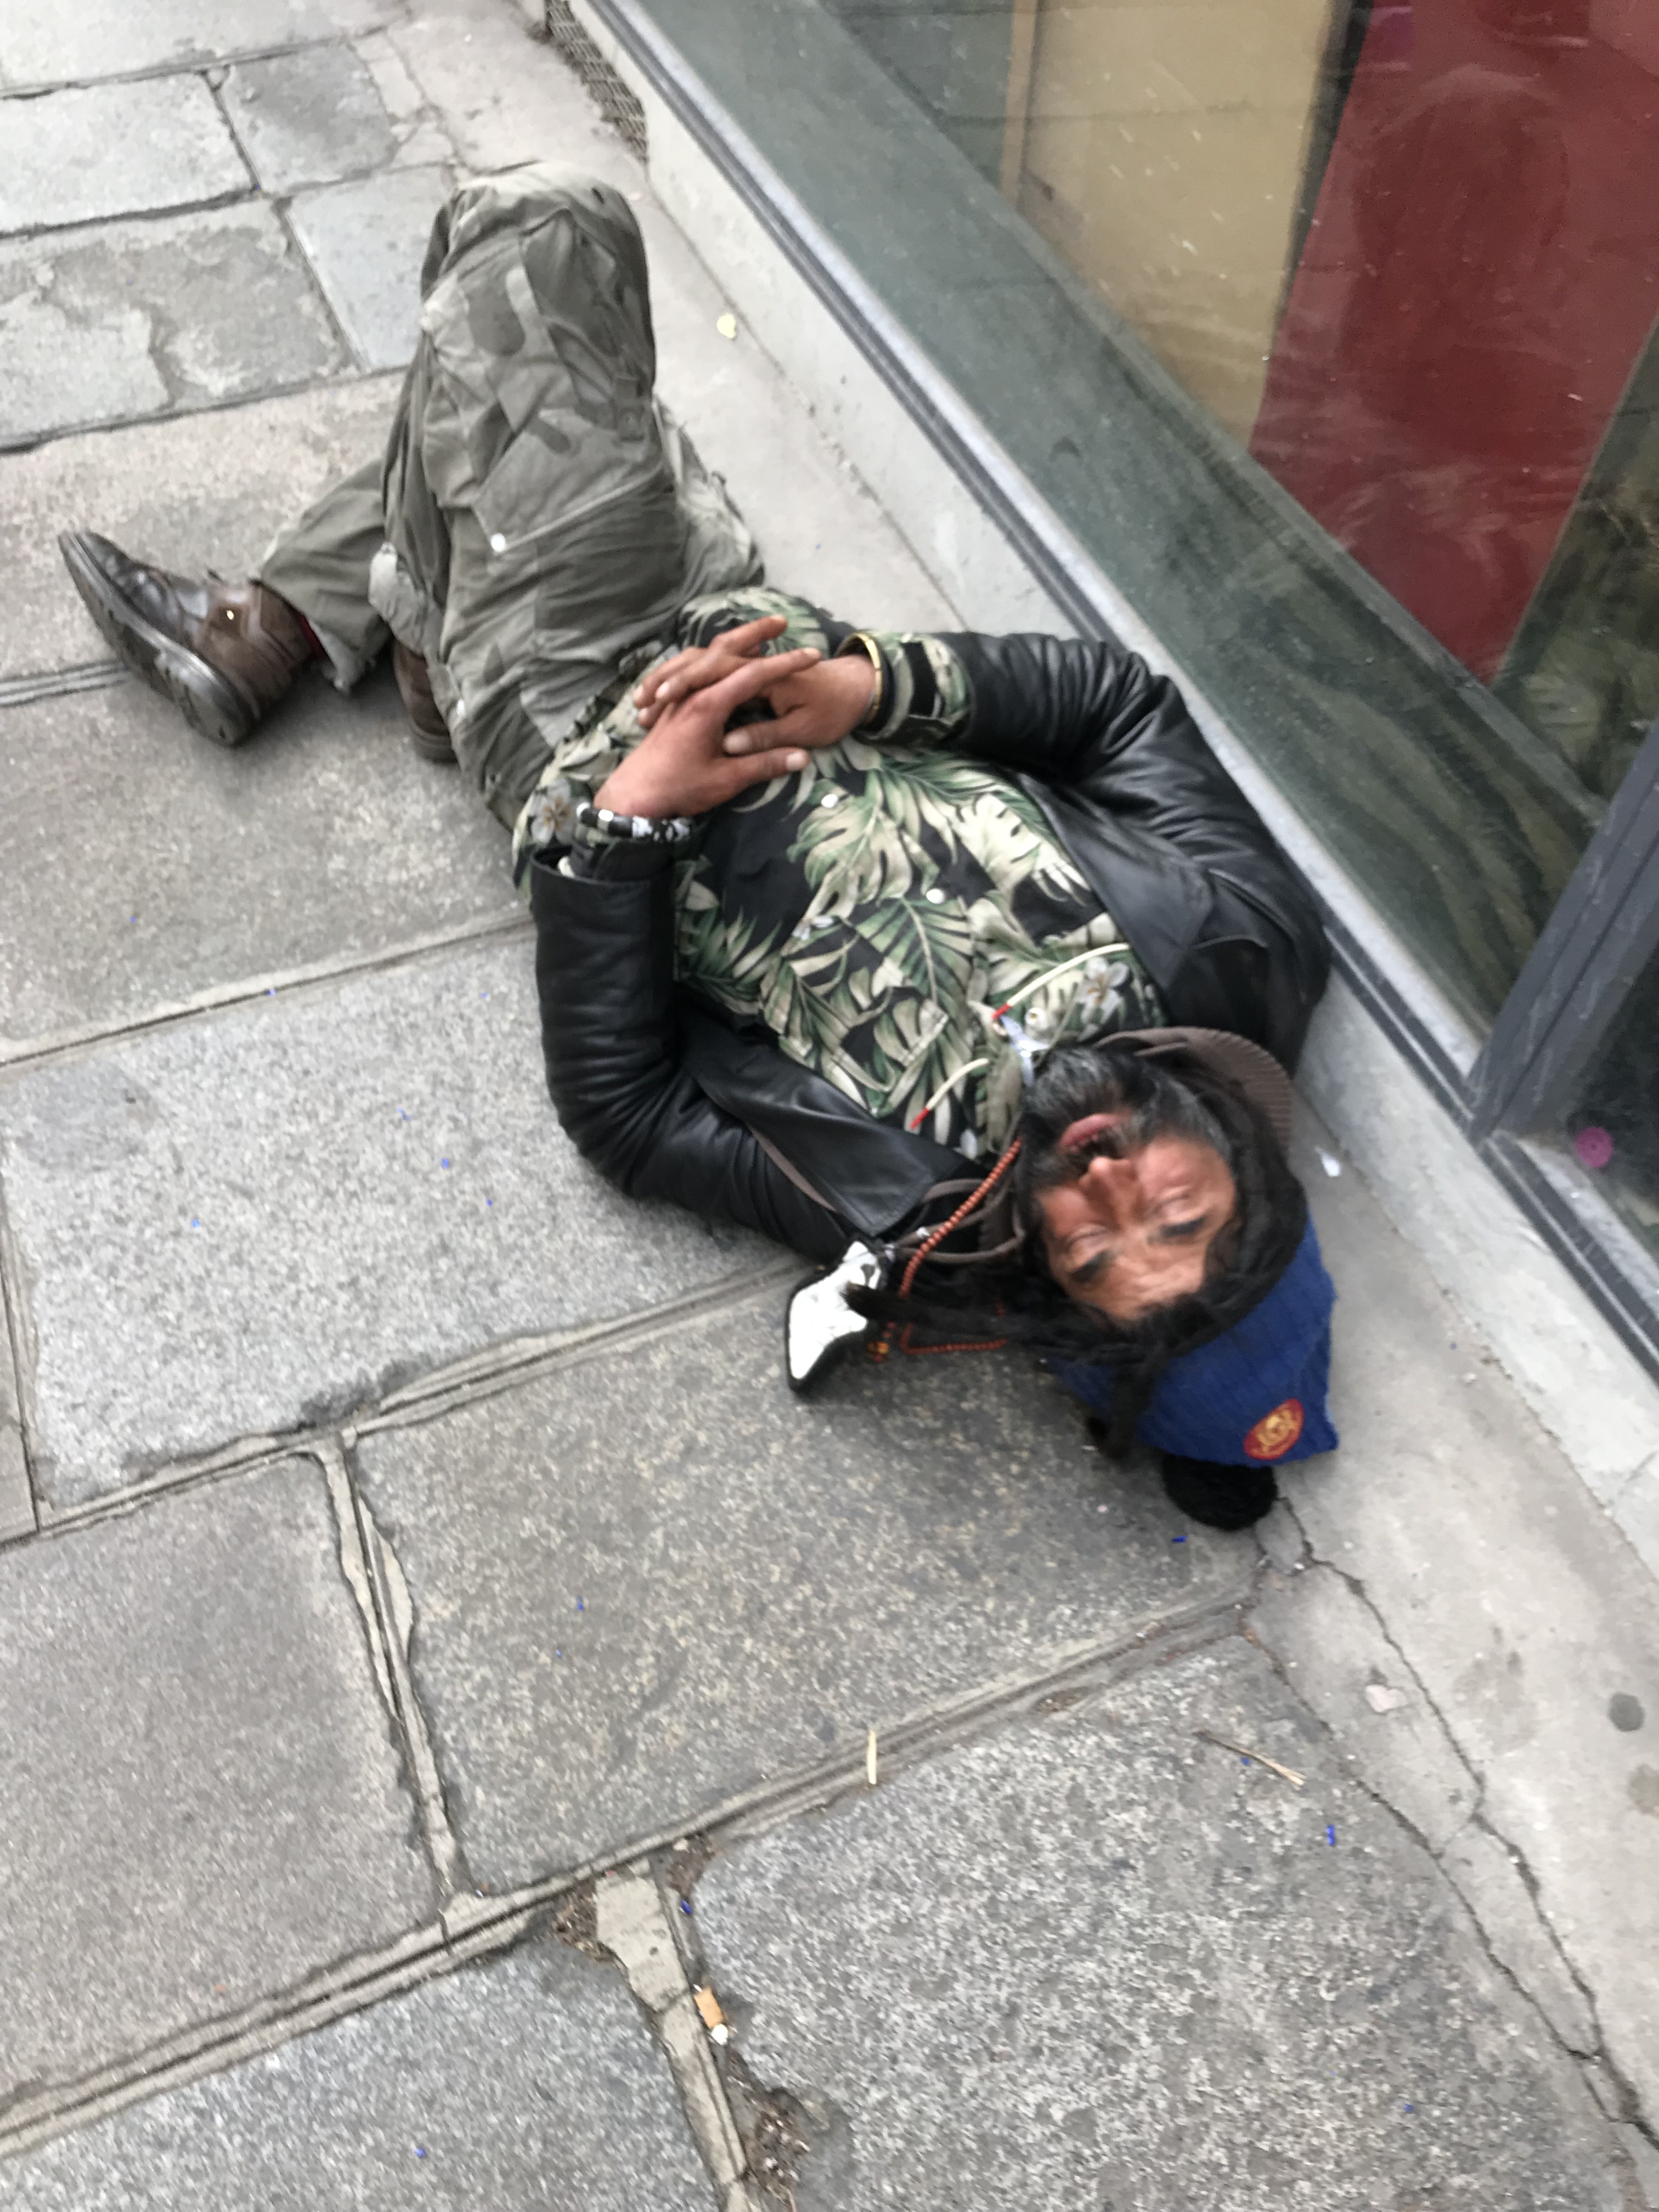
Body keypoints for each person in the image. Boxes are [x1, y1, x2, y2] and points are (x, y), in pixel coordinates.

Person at [59, 164, 1335, 1532]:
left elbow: (630, 1118)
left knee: (542, 241)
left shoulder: (908, 1204)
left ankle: (353, 635)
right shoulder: (1244, 943)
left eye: (1094, 1250)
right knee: (514, 388)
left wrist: (636, 816)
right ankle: (375, 623)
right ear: (1248, 1170)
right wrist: (873, 684)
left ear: (1048, 1280)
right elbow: (1119, 711)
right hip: (742, 605)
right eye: (1178, 1214)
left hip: (581, 707)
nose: (1107, 1180)